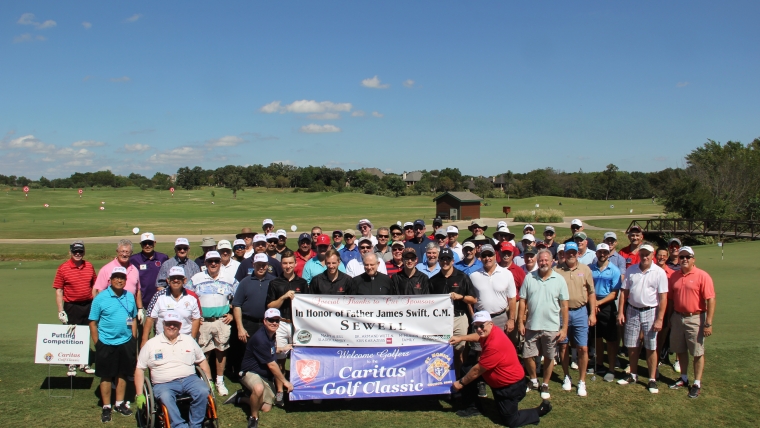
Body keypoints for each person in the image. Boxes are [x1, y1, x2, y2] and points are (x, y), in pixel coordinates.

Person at [450, 312, 552, 426]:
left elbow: (477, 370)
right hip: (496, 379)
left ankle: (540, 410)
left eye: (481, 326)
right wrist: (461, 338)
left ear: (491, 324)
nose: (479, 329)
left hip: (509, 387)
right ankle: (473, 407)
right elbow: (478, 337)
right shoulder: (490, 332)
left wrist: (461, 383)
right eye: (476, 327)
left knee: (511, 421)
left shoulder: (495, 344)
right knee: (466, 368)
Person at [134, 311, 212, 428]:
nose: (171, 326)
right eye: (168, 323)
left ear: (180, 326)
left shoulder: (189, 340)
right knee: (166, 397)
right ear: (163, 325)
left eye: (175, 324)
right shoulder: (151, 344)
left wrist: (209, 381)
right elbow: (140, 369)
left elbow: (202, 360)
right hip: (163, 383)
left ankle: (196, 424)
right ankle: (179, 425)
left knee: (203, 391)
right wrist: (140, 394)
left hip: (189, 379)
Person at [226, 308, 293, 428]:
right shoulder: (261, 338)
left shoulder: (272, 334)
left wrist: (282, 348)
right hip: (249, 372)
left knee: (266, 407)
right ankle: (253, 418)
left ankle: (241, 398)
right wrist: (285, 382)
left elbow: (270, 351)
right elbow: (272, 365)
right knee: (258, 388)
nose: (274, 323)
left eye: (277, 320)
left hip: (264, 375)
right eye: (271, 320)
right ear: (264, 321)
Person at [616, 243, 668, 394]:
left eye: (648, 254)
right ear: (639, 255)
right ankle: (633, 374)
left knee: (651, 346)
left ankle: (652, 379)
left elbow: (663, 298)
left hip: (650, 311)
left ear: (653, 256)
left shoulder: (659, 272)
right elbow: (624, 293)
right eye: (642, 254)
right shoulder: (631, 270)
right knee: (632, 345)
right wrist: (621, 312)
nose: (645, 257)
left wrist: (660, 319)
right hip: (632, 310)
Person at [88, 266, 138, 422]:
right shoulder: (100, 298)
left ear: (125, 280)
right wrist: (98, 343)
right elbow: (92, 322)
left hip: (125, 341)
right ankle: (106, 407)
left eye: (122, 277)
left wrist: (133, 338)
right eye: (116, 277)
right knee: (106, 376)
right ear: (110, 280)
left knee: (122, 373)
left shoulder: (129, 296)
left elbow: (134, 317)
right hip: (106, 342)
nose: (119, 280)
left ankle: (119, 403)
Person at [185, 252, 238, 397]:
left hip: (222, 320)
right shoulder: (196, 279)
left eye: (216, 261)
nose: (213, 264)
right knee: (203, 352)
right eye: (210, 261)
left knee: (221, 350)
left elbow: (238, 298)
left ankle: (220, 381)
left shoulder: (229, 279)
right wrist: (194, 316)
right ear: (206, 263)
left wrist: (232, 313)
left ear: (220, 262)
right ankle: (205, 381)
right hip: (204, 322)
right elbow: (187, 297)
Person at [518, 249, 569, 400]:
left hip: (551, 326)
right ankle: (533, 380)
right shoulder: (529, 278)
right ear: (537, 261)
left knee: (549, 356)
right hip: (532, 325)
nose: (543, 263)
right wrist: (521, 322)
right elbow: (522, 300)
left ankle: (545, 383)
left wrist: (564, 328)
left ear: (552, 261)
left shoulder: (559, 279)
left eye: (546, 260)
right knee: (527, 355)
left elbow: (565, 306)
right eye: (541, 260)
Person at [668, 246, 716, 399]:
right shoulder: (674, 276)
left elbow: (711, 299)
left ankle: (696, 383)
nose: (684, 259)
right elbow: (670, 299)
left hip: (695, 317)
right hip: (677, 316)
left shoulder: (702, 276)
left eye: (687, 257)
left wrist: (708, 323)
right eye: (682, 257)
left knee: (697, 351)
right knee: (680, 349)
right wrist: (669, 317)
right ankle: (683, 377)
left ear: (693, 259)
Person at [265, 250, 308, 406]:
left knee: (300, 359)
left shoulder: (302, 283)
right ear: (281, 264)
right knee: (280, 360)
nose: (288, 266)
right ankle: (280, 392)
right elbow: (269, 306)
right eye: (285, 263)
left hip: (298, 324)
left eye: (291, 263)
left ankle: (299, 390)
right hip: (281, 323)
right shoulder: (275, 283)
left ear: (295, 264)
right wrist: (283, 297)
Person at [554, 242, 597, 396]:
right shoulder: (556, 270)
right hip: (561, 313)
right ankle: (566, 376)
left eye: (574, 252)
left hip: (580, 311)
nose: (571, 255)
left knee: (583, 348)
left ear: (578, 253)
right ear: (563, 254)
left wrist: (592, 313)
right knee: (563, 346)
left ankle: (582, 381)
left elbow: (591, 293)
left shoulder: (585, 270)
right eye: (568, 252)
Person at [53, 240, 97, 376]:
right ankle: (72, 363)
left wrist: (96, 305)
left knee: (86, 333)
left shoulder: (89, 266)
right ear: (70, 252)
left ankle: (83, 362)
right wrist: (61, 310)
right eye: (75, 251)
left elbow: (94, 286)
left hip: (88, 304)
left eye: (80, 251)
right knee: (72, 334)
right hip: (72, 306)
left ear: (84, 252)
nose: (78, 254)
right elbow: (59, 290)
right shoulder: (63, 268)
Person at [430, 249, 476, 376]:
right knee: (441, 351)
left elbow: (473, 299)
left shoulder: (462, 277)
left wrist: (460, 297)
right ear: (438, 261)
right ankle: (443, 378)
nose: (445, 262)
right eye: (442, 259)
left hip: (458, 318)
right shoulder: (433, 280)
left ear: (452, 261)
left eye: (448, 259)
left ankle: (460, 379)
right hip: (440, 320)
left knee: (459, 351)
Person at [231, 254, 276, 378]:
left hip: (267, 323)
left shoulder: (273, 281)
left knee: (268, 352)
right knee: (248, 353)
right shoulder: (245, 282)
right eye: (258, 265)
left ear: (267, 266)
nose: (261, 267)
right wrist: (240, 327)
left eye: (264, 265)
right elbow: (237, 305)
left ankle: (267, 379)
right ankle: (248, 382)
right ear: (253, 265)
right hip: (248, 323)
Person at [142, 266, 201, 348]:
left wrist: (192, 339)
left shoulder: (192, 298)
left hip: (184, 343)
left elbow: (196, 319)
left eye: (179, 278)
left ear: (184, 280)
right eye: (173, 278)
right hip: (162, 342)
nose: (176, 280)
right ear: (168, 280)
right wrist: (144, 340)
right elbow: (150, 318)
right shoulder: (158, 296)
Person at [589, 243, 622, 381]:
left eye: (605, 252)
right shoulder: (590, 269)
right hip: (592, 302)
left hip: (607, 305)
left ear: (608, 254)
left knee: (611, 339)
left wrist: (598, 303)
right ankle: (599, 364)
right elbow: (587, 288)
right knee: (597, 336)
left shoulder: (614, 270)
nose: (602, 254)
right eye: (600, 252)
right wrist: (593, 303)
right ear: (596, 253)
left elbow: (614, 293)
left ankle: (611, 368)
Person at [130, 232, 169, 320]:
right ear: (141, 244)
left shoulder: (163, 258)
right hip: (141, 301)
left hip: (160, 300)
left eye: (150, 243)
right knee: (142, 330)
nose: (147, 246)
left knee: (160, 330)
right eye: (145, 243)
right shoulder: (134, 259)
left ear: (154, 243)